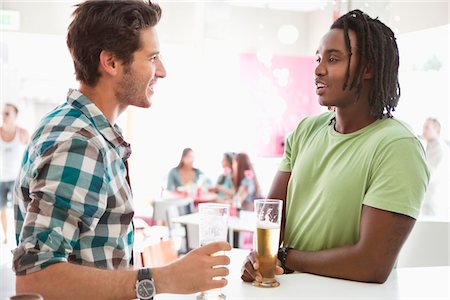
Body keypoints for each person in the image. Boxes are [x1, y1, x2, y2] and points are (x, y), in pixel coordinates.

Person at [12, 1, 231, 299]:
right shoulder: (79, 143)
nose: (162, 71)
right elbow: (35, 279)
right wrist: (162, 279)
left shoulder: (84, 130)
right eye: (152, 58)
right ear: (111, 62)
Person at [241, 9, 429, 284]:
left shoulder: (397, 146)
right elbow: (272, 216)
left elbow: (371, 264)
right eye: (318, 58)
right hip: (290, 291)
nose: (318, 69)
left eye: (333, 59)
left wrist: (284, 258)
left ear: (368, 68)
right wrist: (259, 258)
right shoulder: (306, 130)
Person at [0, 103, 29, 244]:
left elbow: (32, 153)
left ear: (15, 116)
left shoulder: (22, 134)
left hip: (16, 179)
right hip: (0, 179)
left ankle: (17, 238)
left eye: (7, 113)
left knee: (17, 210)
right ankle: (6, 237)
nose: (3, 116)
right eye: (3, 113)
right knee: (1, 210)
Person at [421, 117, 449, 218]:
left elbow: (429, 175)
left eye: (427, 127)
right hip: (425, 200)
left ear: (437, 130)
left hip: (434, 202)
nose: (423, 130)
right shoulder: (427, 147)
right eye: (423, 127)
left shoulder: (441, 150)